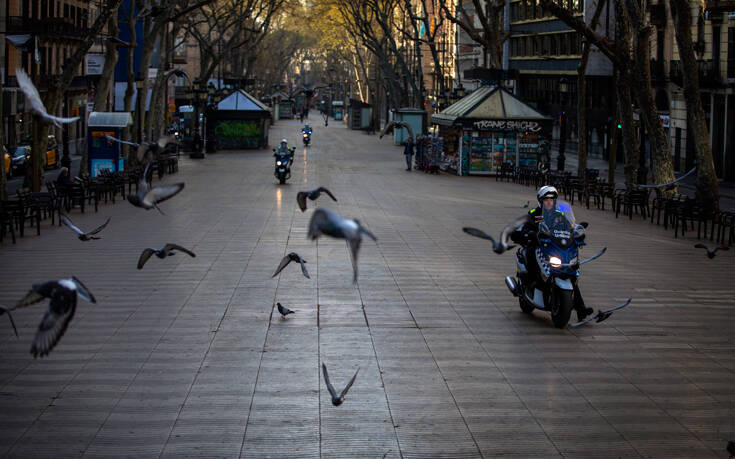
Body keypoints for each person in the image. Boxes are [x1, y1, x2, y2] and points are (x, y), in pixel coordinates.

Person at [511, 185, 593, 321]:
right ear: (540, 201)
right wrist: (528, 233)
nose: (549, 202)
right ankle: (530, 283)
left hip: (555, 247)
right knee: (531, 252)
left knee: (570, 272)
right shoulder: (534, 213)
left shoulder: (560, 214)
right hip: (539, 246)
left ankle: (581, 309)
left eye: (552, 199)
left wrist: (577, 232)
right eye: (546, 200)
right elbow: (523, 227)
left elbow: (571, 226)